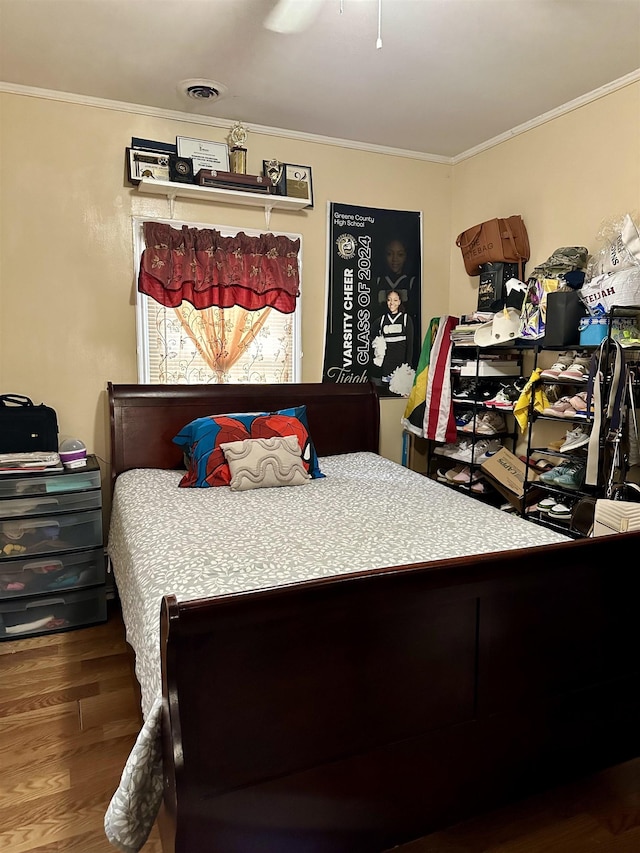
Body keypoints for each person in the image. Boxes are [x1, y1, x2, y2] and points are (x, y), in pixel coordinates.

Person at [371, 290, 414, 384]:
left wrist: (408, 365)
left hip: (401, 366)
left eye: (395, 300)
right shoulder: (381, 320)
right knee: (387, 392)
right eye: (389, 300)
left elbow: (410, 345)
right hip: (386, 366)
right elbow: (372, 336)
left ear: (399, 302)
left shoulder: (406, 319)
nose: (392, 303)